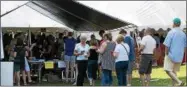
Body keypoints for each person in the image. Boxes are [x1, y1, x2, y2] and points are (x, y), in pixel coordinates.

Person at [163, 18, 186, 86]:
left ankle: (179, 82)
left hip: (171, 54)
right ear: (179, 24)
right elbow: (185, 46)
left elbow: (167, 44)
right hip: (180, 55)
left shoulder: (171, 32)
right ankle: (174, 85)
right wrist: (183, 54)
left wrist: (166, 53)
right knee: (174, 72)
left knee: (167, 70)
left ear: (174, 23)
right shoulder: (183, 34)